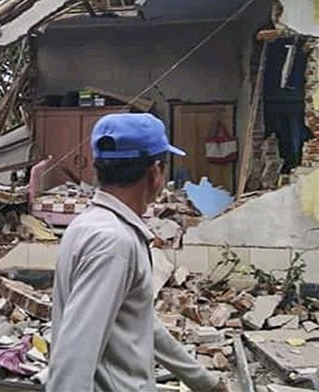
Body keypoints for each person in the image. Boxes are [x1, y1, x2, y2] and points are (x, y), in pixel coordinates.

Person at [47, 113, 227, 392]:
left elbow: (142, 324)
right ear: (155, 172)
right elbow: (75, 355)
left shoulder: (88, 224)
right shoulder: (113, 243)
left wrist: (205, 383)